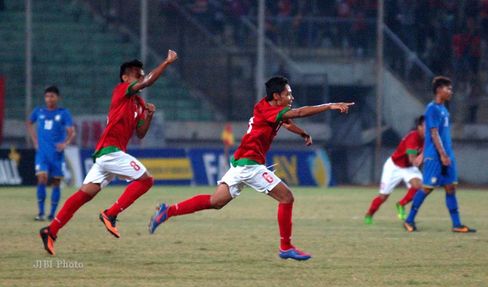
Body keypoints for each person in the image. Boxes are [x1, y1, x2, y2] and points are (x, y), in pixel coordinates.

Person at [148, 76, 354, 261]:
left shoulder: (265, 106)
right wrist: (330, 105)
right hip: (250, 165)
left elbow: (287, 121)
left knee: (216, 202)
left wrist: (302, 133)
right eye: (288, 94)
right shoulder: (270, 111)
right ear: (276, 96)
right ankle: (286, 247)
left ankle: (168, 211)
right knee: (286, 197)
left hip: (240, 163)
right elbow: (298, 113)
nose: (291, 97)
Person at [39, 50, 178, 255]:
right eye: (135, 72)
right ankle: (110, 214)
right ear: (125, 77)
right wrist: (166, 62)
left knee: (84, 194)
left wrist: (148, 116)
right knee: (146, 180)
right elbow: (148, 82)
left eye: (141, 71)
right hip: (110, 152)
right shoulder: (121, 90)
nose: (140, 73)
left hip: (111, 155)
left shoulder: (139, 104)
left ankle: (51, 230)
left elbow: (140, 133)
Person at [403, 76, 476, 233]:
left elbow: (439, 135)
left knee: (450, 188)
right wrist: (442, 155)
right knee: (427, 188)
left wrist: (446, 154)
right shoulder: (432, 109)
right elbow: (434, 134)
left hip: (446, 155)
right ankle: (409, 220)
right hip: (435, 157)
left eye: (451, 88)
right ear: (438, 90)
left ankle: (457, 224)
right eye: (447, 88)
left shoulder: (443, 109)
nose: (451, 91)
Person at [364, 116, 425, 224]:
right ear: (419, 127)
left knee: (419, 187)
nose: (429, 129)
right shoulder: (413, 138)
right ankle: (369, 214)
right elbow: (412, 160)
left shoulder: (428, 139)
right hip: (394, 166)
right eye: (426, 126)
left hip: (408, 168)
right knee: (383, 197)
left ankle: (401, 204)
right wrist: (425, 159)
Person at [27, 86, 75, 221]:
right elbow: (29, 123)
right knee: (41, 178)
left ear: (57, 98)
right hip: (42, 154)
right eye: (47, 96)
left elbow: (71, 132)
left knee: (56, 182)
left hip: (57, 155)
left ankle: (52, 214)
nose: (49, 99)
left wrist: (65, 143)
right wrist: (34, 139)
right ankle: (41, 213)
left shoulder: (64, 113)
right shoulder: (39, 111)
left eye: (52, 96)